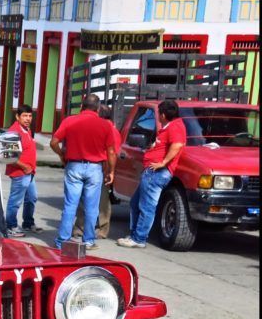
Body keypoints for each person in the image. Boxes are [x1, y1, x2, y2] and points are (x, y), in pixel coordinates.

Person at [49, 94, 117, 250]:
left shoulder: (70, 121)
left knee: (70, 205)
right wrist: (111, 171)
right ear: (98, 108)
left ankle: (62, 241)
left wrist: (61, 154)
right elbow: (111, 152)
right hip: (95, 168)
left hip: (74, 166)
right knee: (92, 207)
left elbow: (53, 142)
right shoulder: (105, 125)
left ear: (81, 106)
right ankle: (88, 240)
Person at [118, 98, 186, 248]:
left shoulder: (175, 127)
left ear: (162, 115)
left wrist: (163, 162)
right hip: (151, 171)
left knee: (147, 206)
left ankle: (139, 238)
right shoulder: (170, 126)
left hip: (157, 173)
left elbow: (177, 145)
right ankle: (135, 234)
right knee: (135, 203)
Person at [75, 105, 122, 239]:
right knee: (94, 200)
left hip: (101, 167)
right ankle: (92, 228)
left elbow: (112, 153)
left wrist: (108, 171)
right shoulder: (105, 128)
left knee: (98, 201)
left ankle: (96, 229)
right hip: (97, 167)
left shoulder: (109, 129)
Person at [3, 104, 42, 237]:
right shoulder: (13, 132)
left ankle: (28, 222)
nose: (27, 118)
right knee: (15, 201)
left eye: (30, 116)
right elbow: (8, 155)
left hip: (29, 173)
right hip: (20, 173)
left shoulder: (27, 129)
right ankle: (11, 226)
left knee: (32, 197)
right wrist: (24, 166)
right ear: (17, 117)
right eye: (24, 116)